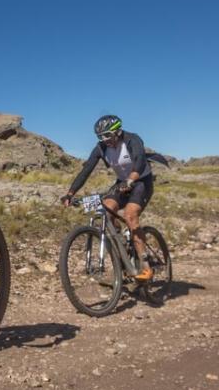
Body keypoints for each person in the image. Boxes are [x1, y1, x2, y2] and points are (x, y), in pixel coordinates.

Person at [61, 115, 157, 281]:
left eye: (107, 135)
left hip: (141, 181)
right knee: (106, 208)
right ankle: (121, 244)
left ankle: (146, 266)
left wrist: (131, 180)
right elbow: (86, 170)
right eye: (100, 137)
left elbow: (140, 162)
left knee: (130, 215)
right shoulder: (101, 148)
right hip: (122, 183)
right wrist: (71, 193)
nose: (104, 140)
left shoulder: (132, 139)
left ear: (118, 131)